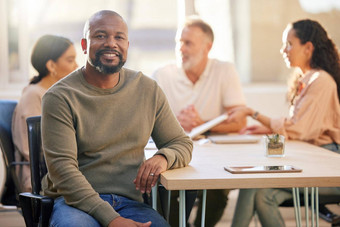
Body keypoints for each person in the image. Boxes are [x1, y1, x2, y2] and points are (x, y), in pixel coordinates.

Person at [41, 10, 193, 227]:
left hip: (130, 202)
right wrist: (112, 220)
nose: (111, 43)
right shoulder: (59, 97)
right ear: (84, 45)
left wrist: (163, 157)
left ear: (127, 46)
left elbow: (181, 143)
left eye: (118, 37)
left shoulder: (147, 89)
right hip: (75, 202)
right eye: (101, 36)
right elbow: (63, 171)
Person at [228, 19, 340, 227]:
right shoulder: (307, 80)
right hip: (312, 162)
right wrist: (267, 127)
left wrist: (253, 113)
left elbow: (299, 129)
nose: (283, 50)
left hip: (329, 168)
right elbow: (300, 125)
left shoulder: (321, 81)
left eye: (289, 44)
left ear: (308, 48)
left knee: (253, 184)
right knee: (261, 193)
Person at [153, 17, 246, 227]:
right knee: (168, 190)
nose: (181, 49)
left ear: (207, 47)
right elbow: (146, 121)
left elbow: (239, 122)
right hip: (173, 151)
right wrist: (174, 124)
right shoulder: (162, 75)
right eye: (179, 42)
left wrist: (204, 123)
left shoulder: (225, 70)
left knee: (219, 189)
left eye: (188, 43)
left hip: (214, 155)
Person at [12, 34, 78, 192]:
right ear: (51, 65)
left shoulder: (57, 94)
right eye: (70, 60)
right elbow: (35, 150)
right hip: (39, 176)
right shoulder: (34, 96)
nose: (76, 66)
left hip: (58, 170)